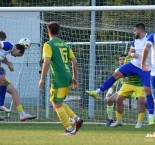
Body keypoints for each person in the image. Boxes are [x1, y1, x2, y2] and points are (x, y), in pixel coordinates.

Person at [86, 23, 154, 125]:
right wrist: (132, 54)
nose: (133, 32)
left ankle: (151, 116)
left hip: (145, 68)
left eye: (135, 30)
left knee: (147, 92)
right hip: (133, 65)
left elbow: (147, 49)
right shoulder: (136, 40)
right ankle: (97, 91)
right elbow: (130, 51)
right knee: (116, 74)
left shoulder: (150, 37)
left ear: (140, 30)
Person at [39, 21, 83, 135]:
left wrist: (42, 79)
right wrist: (74, 77)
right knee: (60, 102)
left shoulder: (48, 44)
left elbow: (47, 62)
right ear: (59, 31)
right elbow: (74, 61)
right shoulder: (65, 44)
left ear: (48, 31)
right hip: (68, 76)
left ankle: (69, 129)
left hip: (58, 78)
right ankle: (76, 118)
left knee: (55, 103)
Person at [0, 31, 36, 121]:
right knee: (3, 80)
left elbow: (2, 56)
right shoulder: (9, 45)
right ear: (18, 50)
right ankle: (0, 104)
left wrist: (8, 64)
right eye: (18, 55)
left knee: (13, 91)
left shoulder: (7, 50)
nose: (15, 57)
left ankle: (22, 114)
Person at [110, 55, 146, 128]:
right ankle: (119, 120)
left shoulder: (143, 58)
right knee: (118, 100)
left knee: (141, 102)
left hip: (139, 84)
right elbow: (124, 69)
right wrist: (124, 76)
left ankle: (139, 122)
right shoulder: (128, 59)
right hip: (128, 84)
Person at [105, 54, 127, 126]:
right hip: (123, 90)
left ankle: (152, 119)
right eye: (120, 59)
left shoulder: (132, 68)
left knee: (144, 103)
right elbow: (114, 82)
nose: (121, 61)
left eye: (123, 59)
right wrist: (109, 91)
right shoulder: (117, 70)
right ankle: (110, 119)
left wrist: (126, 78)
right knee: (109, 100)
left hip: (133, 90)